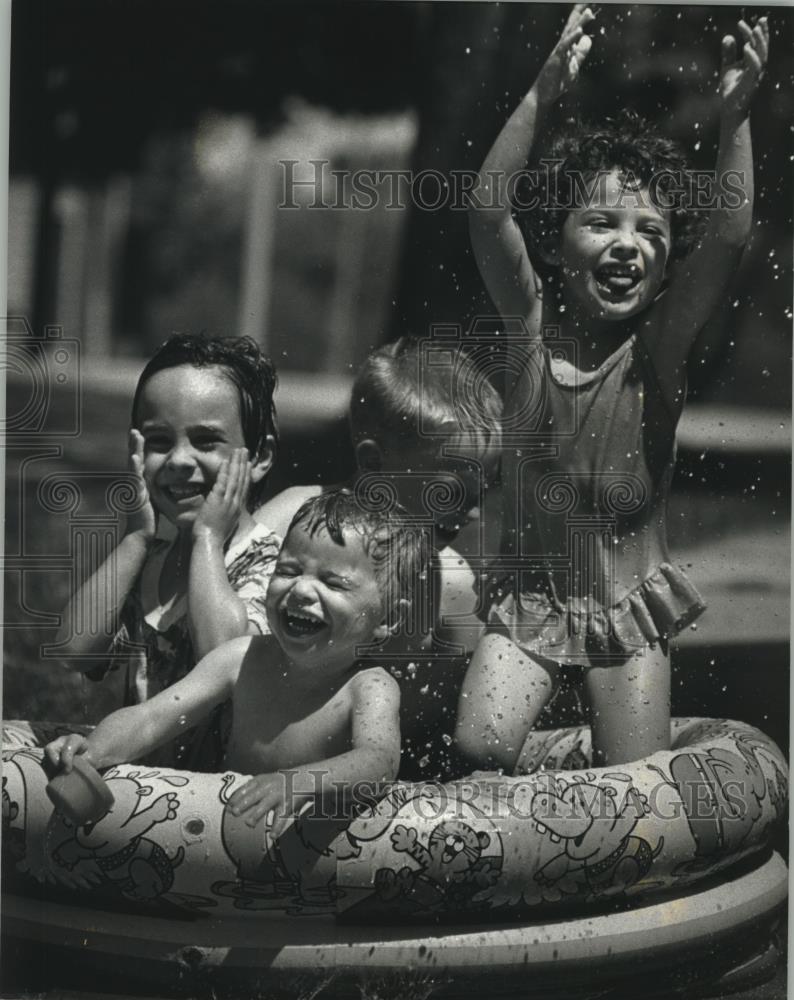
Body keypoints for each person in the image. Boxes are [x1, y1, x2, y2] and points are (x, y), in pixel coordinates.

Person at [456, 6, 769, 768]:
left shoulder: (657, 351)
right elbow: (485, 210)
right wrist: (538, 96)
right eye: (602, 223)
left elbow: (728, 236)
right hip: (530, 597)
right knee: (478, 744)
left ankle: (587, 770)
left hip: (630, 605)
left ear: (666, 263)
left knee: (635, 780)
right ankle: (558, 771)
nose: (629, 245)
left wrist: (735, 119)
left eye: (652, 232)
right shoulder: (526, 328)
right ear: (557, 243)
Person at [46, 491, 428, 832]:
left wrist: (296, 783)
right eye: (288, 570)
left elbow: (378, 761)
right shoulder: (242, 657)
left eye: (334, 583)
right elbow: (151, 718)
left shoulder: (369, 687)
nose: (300, 589)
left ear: (388, 619)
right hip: (222, 835)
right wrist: (92, 751)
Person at [257, 336, 503, 779]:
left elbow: (463, 729)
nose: (473, 510)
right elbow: (222, 653)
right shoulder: (292, 522)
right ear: (373, 463)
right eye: (453, 488)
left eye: (482, 488)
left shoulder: (450, 581)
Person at [54, 334, 282, 769]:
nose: (179, 459)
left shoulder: (273, 566)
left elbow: (225, 657)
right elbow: (73, 649)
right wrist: (135, 538)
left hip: (222, 804)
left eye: (205, 440)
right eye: (159, 441)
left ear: (260, 456)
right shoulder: (147, 559)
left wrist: (208, 541)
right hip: (140, 783)